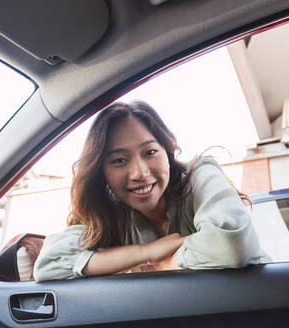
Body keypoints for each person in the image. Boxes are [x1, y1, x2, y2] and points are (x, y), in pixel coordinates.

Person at [33, 101, 264, 281]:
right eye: (119, 160)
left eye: (150, 152)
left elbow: (233, 244)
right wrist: (149, 252)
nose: (139, 173)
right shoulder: (109, 213)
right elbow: (50, 265)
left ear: (168, 150)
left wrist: (165, 264)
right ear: (101, 171)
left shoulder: (198, 175)